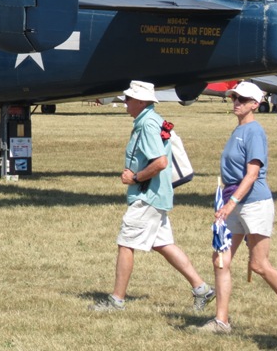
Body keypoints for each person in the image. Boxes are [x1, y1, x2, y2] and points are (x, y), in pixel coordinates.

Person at [90, 80, 215, 312]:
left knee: (125, 243)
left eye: (128, 99)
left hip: (147, 195)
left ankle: (116, 301)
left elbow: (160, 162)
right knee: (164, 244)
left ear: (140, 101)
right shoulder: (154, 120)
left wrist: (134, 178)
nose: (125, 103)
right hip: (158, 194)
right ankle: (202, 289)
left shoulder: (147, 124)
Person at [195, 81, 277, 336]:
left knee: (259, 264)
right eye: (234, 98)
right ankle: (221, 321)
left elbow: (252, 174)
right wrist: (227, 202)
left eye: (242, 100)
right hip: (235, 203)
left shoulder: (254, 131)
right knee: (221, 260)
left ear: (255, 104)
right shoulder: (238, 130)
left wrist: (231, 204)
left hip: (254, 203)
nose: (236, 103)